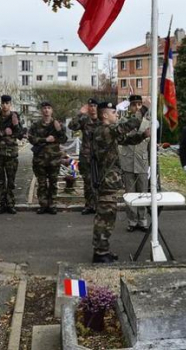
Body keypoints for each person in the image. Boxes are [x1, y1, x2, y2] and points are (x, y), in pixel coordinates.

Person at [90, 101, 148, 263]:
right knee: (104, 218)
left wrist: (143, 135)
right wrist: (143, 109)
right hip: (106, 182)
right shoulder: (104, 130)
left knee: (108, 217)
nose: (116, 115)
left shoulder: (110, 132)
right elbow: (128, 126)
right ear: (104, 115)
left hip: (110, 181)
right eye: (113, 112)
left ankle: (104, 249)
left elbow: (126, 139)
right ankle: (100, 253)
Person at [28, 101, 68, 214]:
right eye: (44, 108)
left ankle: (52, 205)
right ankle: (43, 205)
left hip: (54, 159)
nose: (46, 110)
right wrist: (45, 140)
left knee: (53, 183)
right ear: (41, 110)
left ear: (52, 110)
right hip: (39, 159)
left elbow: (64, 139)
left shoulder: (57, 124)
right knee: (41, 184)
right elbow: (31, 139)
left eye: (49, 108)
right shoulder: (36, 125)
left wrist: (59, 130)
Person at [0, 94, 24, 215]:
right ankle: (2, 204)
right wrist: (2, 132)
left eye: (7, 103)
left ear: (10, 105)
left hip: (11, 155)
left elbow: (20, 135)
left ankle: (11, 204)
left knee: (11, 181)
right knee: (0, 181)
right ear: (0, 104)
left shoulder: (15, 118)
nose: (5, 106)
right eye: (3, 103)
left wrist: (16, 124)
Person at [118, 94, 151, 232]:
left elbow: (150, 145)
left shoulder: (149, 122)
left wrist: (152, 162)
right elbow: (125, 138)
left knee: (142, 193)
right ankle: (132, 221)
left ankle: (142, 220)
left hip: (142, 161)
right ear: (130, 107)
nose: (137, 107)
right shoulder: (124, 122)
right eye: (134, 105)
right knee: (130, 193)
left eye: (139, 105)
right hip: (128, 161)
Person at [68, 98, 101, 215]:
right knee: (87, 182)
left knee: (99, 182)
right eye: (90, 106)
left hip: (100, 157)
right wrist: (80, 113)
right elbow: (71, 126)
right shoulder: (85, 120)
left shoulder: (102, 120)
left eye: (95, 106)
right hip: (86, 156)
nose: (92, 108)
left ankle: (98, 205)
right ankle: (89, 205)